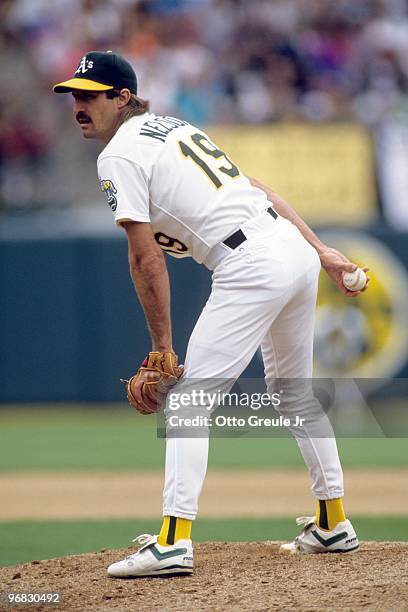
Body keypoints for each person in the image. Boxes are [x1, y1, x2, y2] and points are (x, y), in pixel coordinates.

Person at [54, 51, 366, 578]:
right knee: (294, 392)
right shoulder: (172, 126)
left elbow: (144, 256)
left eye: (90, 95)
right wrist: (319, 251)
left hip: (250, 262)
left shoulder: (119, 156)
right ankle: (333, 520)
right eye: (74, 96)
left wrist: (162, 347)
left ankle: (173, 541)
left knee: (189, 400)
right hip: (285, 249)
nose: (78, 106)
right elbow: (259, 190)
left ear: (122, 98)